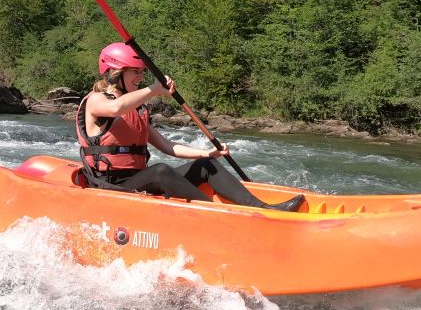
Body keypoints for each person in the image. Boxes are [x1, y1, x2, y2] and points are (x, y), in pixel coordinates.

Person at [74, 42, 305, 211]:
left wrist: (206, 153)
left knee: (206, 165)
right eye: (136, 71)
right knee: (161, 170)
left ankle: (261, 207)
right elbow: (115, 109)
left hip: (139, 179)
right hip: (110, 186)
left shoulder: (137, 109)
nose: (140, 77)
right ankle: (218, 215)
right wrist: (154, 89)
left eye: (142, 72)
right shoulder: (96, 100)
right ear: (115, 73)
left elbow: (167, 145)